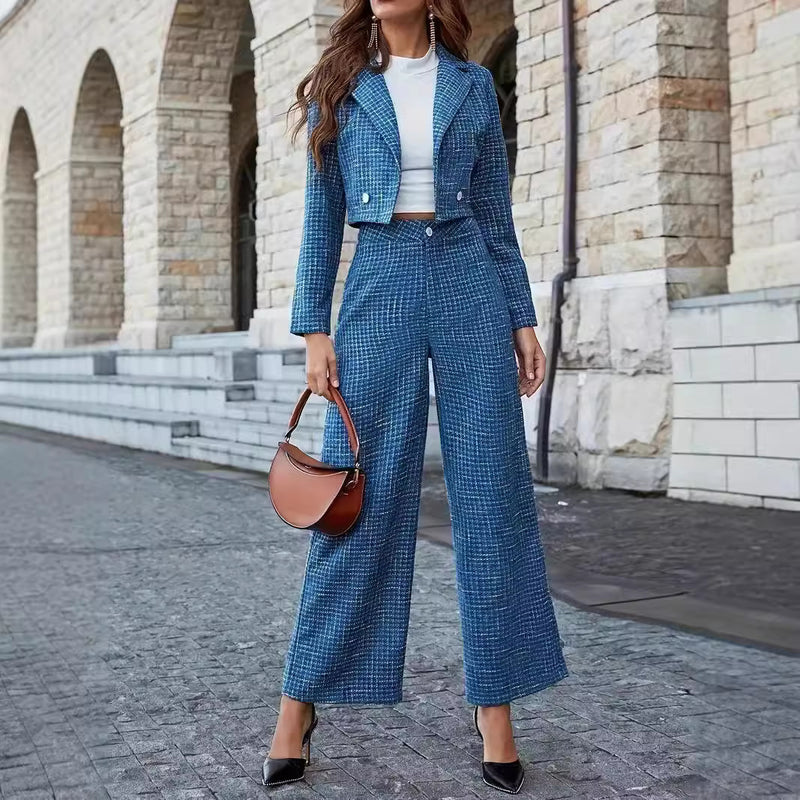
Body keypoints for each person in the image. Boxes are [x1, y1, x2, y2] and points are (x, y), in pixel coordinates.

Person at [262, 0, 568, 792]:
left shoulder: (469, 85)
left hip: (468, 278)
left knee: (492, 495)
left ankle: (494, 708)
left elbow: (498, 217)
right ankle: (299, 704)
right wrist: (313, 330)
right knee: (358, 496)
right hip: (380, 283)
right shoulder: (343, 88)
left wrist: (523, 317)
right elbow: (320, 217)